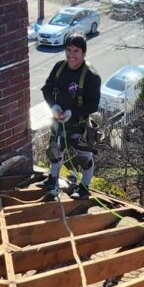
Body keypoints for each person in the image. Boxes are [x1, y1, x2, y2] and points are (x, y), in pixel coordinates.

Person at [40, 35, 101, 199]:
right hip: (59, 121)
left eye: (76, 51)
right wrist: (54, 106)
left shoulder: (90, 76)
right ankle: (52, 179)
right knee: (55, 151)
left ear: (84, 52)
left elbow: (93, 105)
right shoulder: (60, 67)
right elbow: (47, 88)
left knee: (83, 157)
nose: (71, 55)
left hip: (78, 124)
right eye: (68, 50)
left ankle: (84, 188)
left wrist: (72, 113)